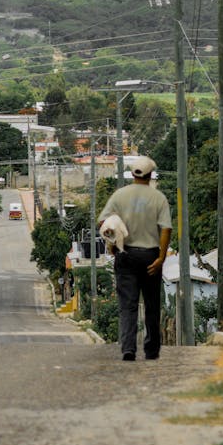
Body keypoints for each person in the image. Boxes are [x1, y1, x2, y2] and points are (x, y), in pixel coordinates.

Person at [98, 155, 172, 362]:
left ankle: (128, 348)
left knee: (128, 304)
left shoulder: (119, 195)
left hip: (126, 254)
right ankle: (151, 349)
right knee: (151, 304)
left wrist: (113, 243)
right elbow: (166, 229)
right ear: (150, 175)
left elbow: (103, 222)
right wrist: (161, 258)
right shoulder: (159, 198)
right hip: (150, 256)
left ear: (132, 174)